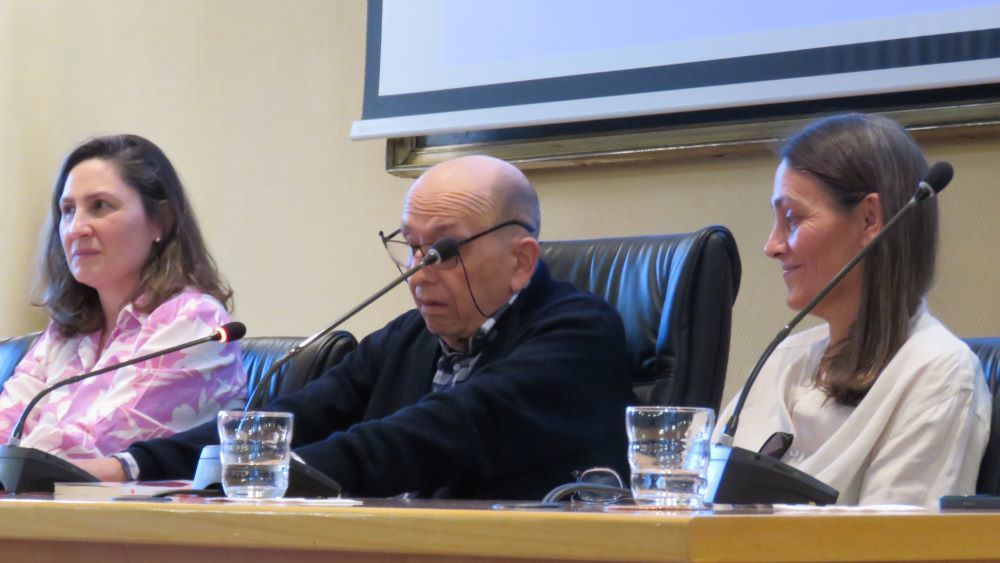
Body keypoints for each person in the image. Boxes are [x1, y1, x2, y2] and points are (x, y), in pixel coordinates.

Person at [79, 155, 633, 500]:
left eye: (441, 250)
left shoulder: (579, 334)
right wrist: (128, 465)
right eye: (409, 248)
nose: (419, 273)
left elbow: (442, 431)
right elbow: (290, 419)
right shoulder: (408, 337)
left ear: (520, 261)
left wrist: (263, 472)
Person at [713, 113, 991, 507]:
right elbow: (695, 497)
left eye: (791, 219)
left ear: (869, 219)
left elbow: (892, 548)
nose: (771, 246)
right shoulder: (783, 360)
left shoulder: (938, 374)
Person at [0, 135, 246, 459]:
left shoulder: (195, 324)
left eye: (100, 206)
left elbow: (91, 446)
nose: (75, 229)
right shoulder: (65, 332)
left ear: (162, 220)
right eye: (68, 210)